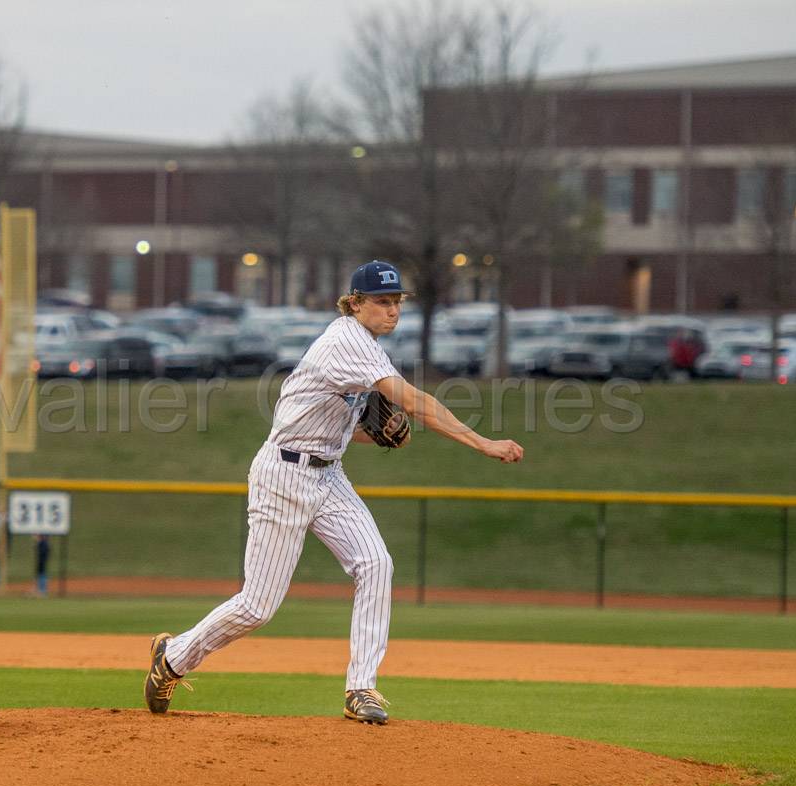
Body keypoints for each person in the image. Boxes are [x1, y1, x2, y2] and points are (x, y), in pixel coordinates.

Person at [144, 260, 524, 725]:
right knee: (258, 607)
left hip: (328, 474)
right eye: (382, 302)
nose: (392, 311)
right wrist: (482, 442)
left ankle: (360, 688)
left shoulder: (365, 345)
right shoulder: (348, 340)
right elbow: (412, 401)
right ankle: (174, 657)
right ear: (356, 303)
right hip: (284, 476)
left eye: (397, 302)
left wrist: (376, 435)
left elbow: (338, 421)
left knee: (376, 563)